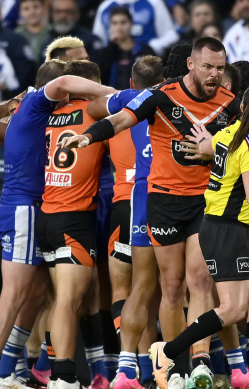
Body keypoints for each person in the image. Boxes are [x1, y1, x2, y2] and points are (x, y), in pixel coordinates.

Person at [59, 37, 242, 389]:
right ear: (191, 64)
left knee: (199, 280)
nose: (215, 75)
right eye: (208, 67)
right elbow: (120, 119)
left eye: (220, 68)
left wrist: (213, 151)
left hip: (206, 202)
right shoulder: (161, 94)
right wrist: (86, 139)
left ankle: (200, 362)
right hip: (162, 201)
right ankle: (173, 369)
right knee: (171, 286)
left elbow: (248, 146)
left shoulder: (230, 104)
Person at [148, 84, 249, 389]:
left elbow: (209, 149)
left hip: (223, 226)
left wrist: (202, 141)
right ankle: (166, 352)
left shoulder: (230, 133)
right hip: (226, 229)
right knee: (233, 310)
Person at [0, 60, 115, 389]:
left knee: (39, 293)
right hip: (44, 211)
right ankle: (52, 374)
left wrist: (8, 106)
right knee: (30, 296)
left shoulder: (33, 111)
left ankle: (19, 368)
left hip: (42, 210)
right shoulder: (66, 105)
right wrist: (119, 92)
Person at [36, 60, 114, 389]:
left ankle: (56, 370)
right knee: (69, 301)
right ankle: (64, 377)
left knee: (61, 300)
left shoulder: (47, 113)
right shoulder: (95, 110)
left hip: (47, 216)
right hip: (74, 219)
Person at [87, 55, 164, 389]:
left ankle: (128, 362)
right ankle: (154, 370)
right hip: (160, 204)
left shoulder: (117, 114)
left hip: (123, 206)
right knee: (157, 291)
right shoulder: (169, 111)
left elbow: (93, 115)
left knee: (123, 290)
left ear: (132, 84)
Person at [92, 6, 154, 89]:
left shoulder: (145, 50)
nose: (119, 27)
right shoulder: (103, 53)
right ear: (110, 26)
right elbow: (98, 78)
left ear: (131, 24)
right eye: (115, 23)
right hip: (112, 98)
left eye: (123, 22)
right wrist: (112, 46)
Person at [92, 0, 178, 56]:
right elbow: (97, 41)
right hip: (113, 60)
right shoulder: (104, 7)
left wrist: (151, 48)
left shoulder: (154, 3)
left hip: (147, 58)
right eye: (115, 23)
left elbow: (171, 35)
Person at [14, 0, 53, 66]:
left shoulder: (53, 32)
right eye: (26, 8)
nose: (32, 12)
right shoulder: (15, 35)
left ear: (43, 9)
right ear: (20, 12)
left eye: (36, 7)